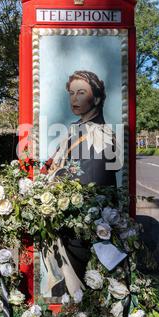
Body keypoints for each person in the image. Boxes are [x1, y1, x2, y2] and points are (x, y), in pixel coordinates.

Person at [40, 70, 122, 298]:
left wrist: (52, 183)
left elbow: (88, 180)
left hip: (82, 224)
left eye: (81, 93)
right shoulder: (77, 128)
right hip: (70, 216)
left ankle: (77, 304)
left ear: (96, 98)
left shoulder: (99, 135)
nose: (74, 98)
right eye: (71, 93)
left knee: (75, 284)